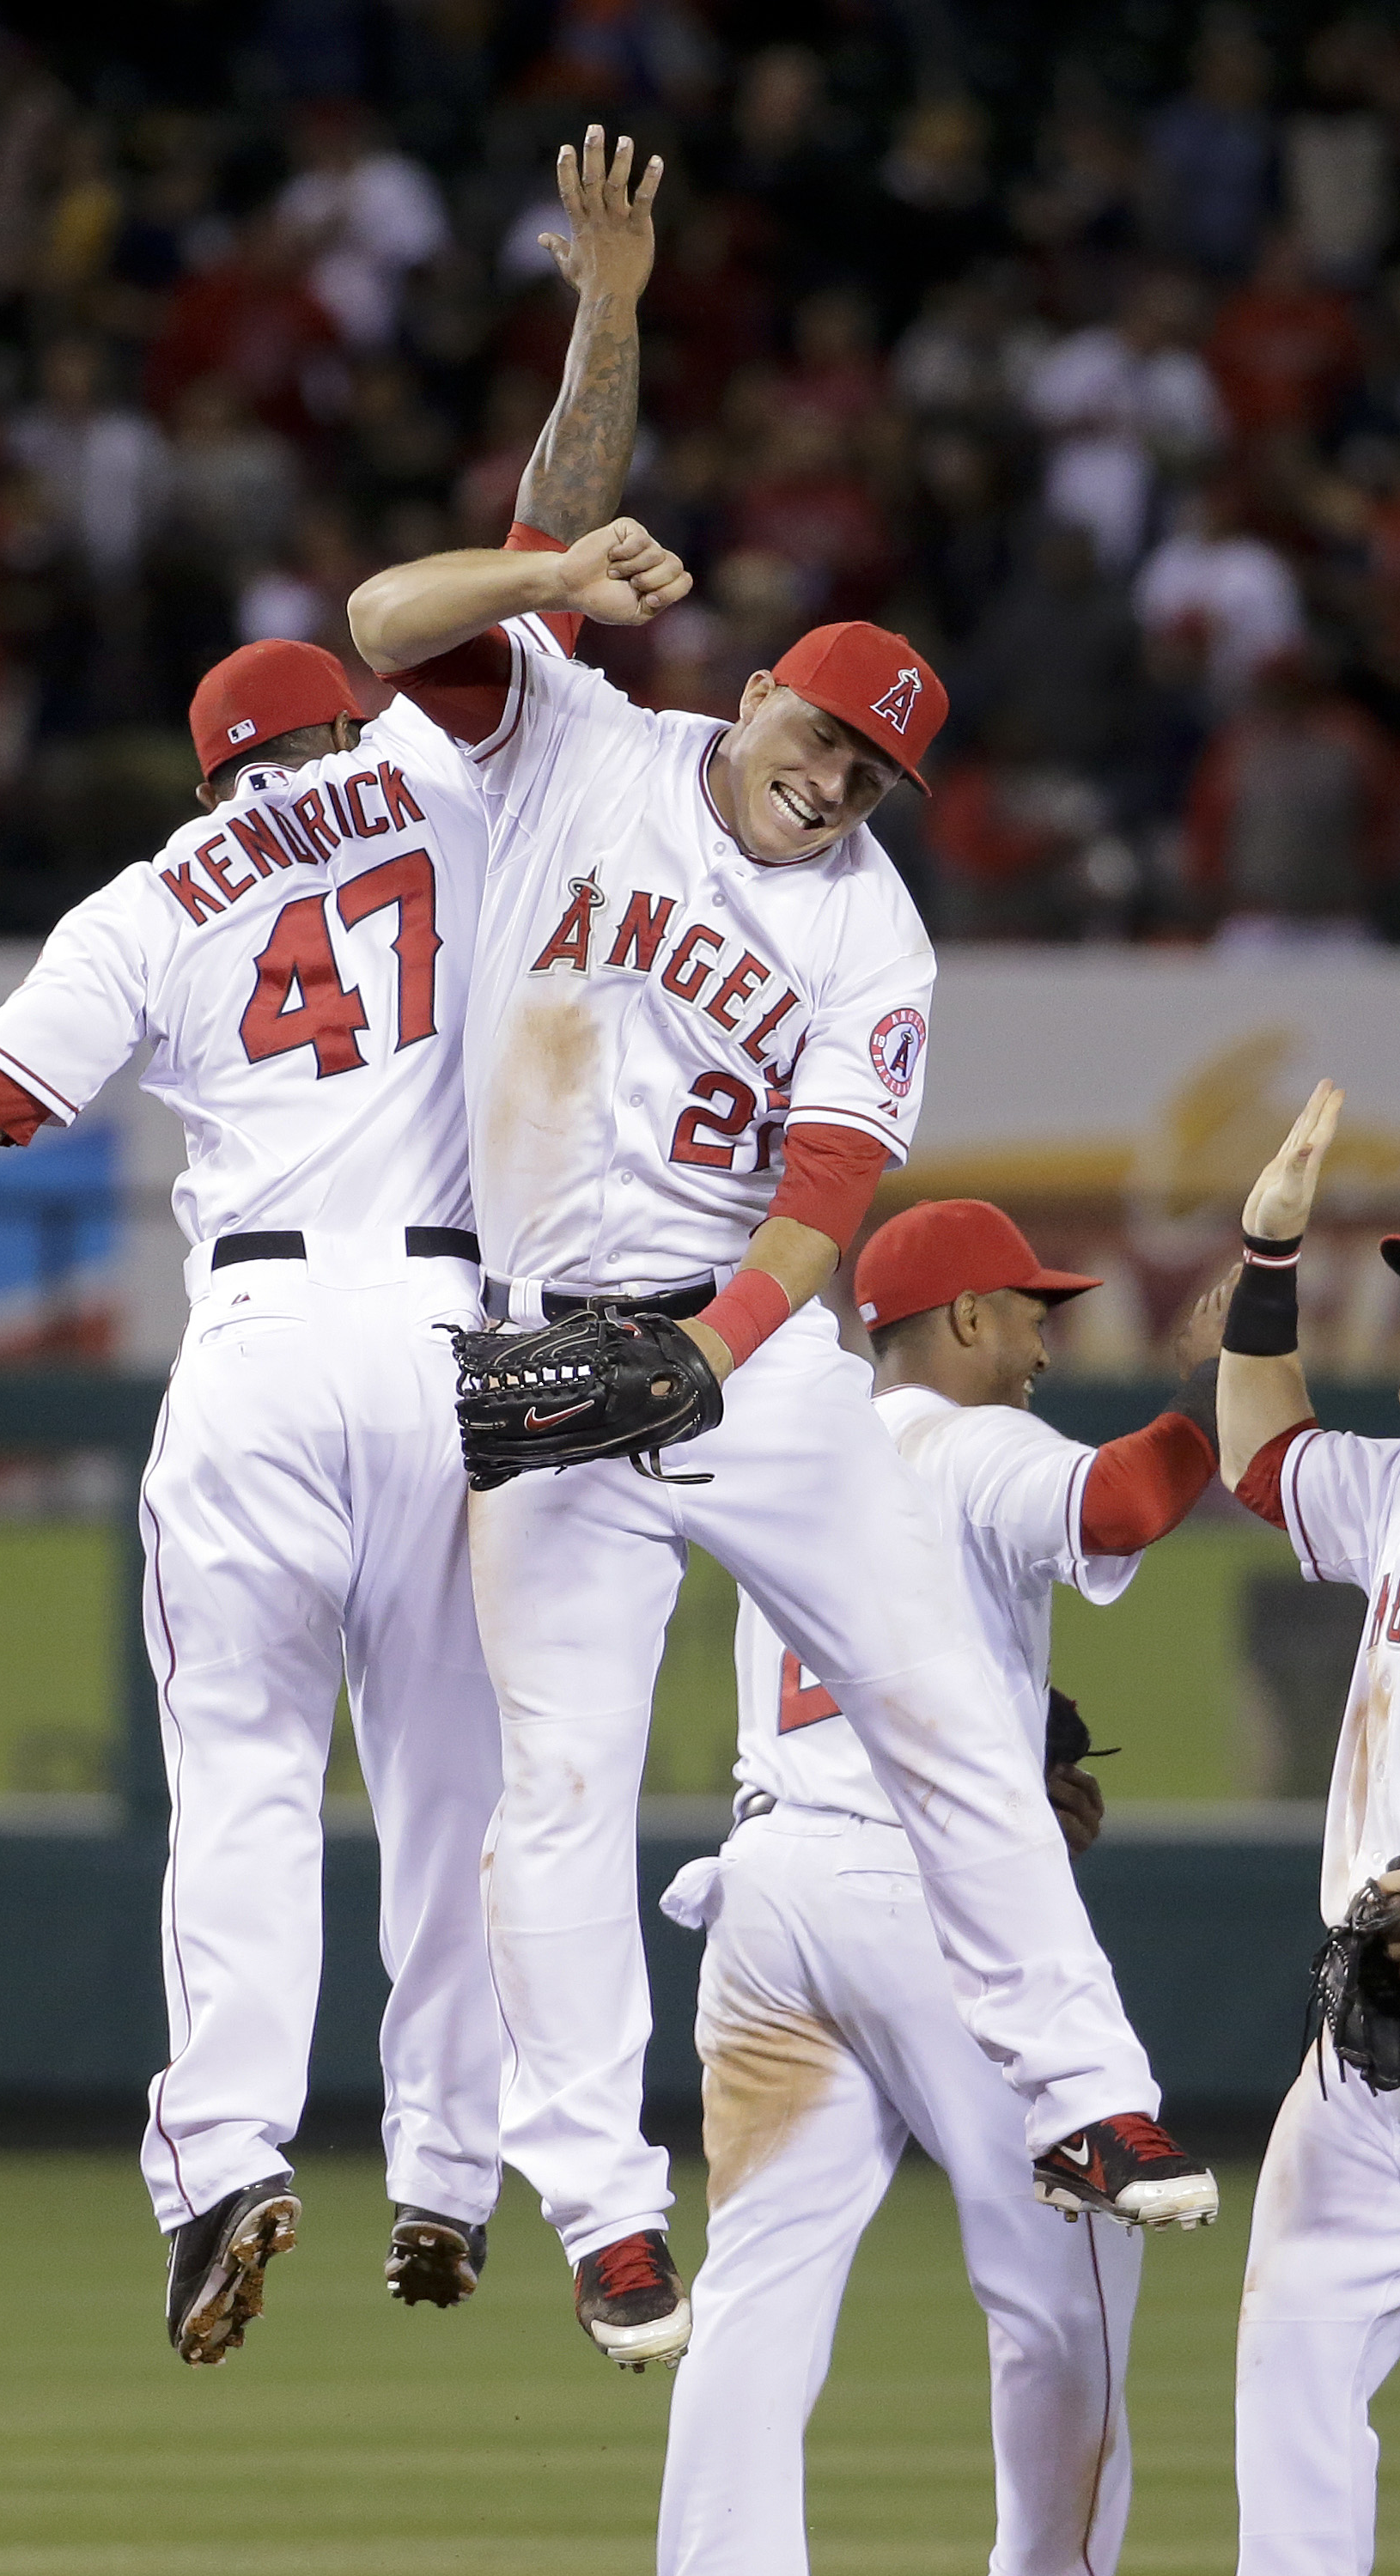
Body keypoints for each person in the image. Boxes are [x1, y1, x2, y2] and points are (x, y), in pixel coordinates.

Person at [0, 125, 667, 2368]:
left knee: (242, 1787)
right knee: (464, 1795)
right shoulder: (452, 774)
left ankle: (226, 2163)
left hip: (263, 1346)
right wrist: (608, 308)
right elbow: (544, 545)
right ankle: (449, 2174)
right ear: (345, 727)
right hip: (465, 1346)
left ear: (213, 778)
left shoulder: (153, 898)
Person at [349, 465, 1216, 2378]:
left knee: (946, 1703)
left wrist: (717, 1349)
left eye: (872, 774)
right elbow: (382, 625)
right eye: (822, 738)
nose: (833, 785)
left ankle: (1087, 2091)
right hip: (545, 1347)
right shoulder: (587, 737)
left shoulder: (876, 937)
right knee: (556, 1787)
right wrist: (548, 576)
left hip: (750, 1352)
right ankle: (602, 2210)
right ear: (753, 697)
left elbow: (828, 1192)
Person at [656, 1198, 1230, 2576]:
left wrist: (1011, 1738)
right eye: (1029, 1310)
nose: (1042, 1342)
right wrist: (1217, 1384)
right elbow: (1124, 1502)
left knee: (756, 2295)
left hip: (771, 1896)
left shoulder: (806, 1450)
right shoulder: (966, 1439)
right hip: (924, 1898)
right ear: (964, 1317)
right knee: (1065, 2280)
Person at [1210, 1077, 1400, 2576]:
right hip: (1369, 2035)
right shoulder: (1395, 1489)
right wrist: (1266, 1261)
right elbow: (1259, 1454)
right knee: (1290, 2356)